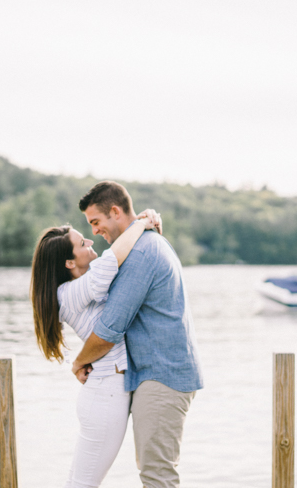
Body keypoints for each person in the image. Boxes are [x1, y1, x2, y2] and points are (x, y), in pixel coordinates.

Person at [71, 181, 203, 488]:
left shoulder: (142, 253)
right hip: (161, 375)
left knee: (157, 476)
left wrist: (78, 363)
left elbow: (108, 331)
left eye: (96, 222)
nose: (94, 232)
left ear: (115, 212)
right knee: (155, 471)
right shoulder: (144, 243)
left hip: (161, 377)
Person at [30, 209, 162, 488]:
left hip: (108, 390)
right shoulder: (69, 293)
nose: (90, 243)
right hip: (105, 393)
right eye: (82, 244)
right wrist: (140, 223)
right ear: (69, 262)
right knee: (82, 484)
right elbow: (112, 259)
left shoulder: (82, 288)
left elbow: (124, 266)